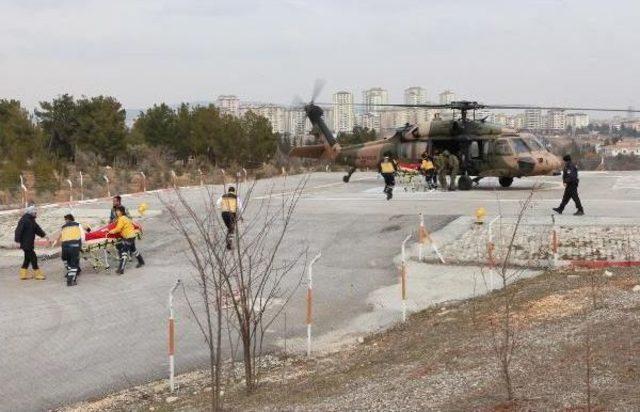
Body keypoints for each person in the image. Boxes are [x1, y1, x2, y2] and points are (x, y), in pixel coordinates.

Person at [14, 204, 49, 280]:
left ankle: (23, 274)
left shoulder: (32, 220)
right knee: (33, 258)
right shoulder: (24, 220)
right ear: (31, 212)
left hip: (29, 243)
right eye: (35, 212)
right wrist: (17, 241)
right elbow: (18, 231)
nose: (36, 214)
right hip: (25, 243)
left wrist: (44, 236)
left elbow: (37, 229)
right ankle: (37, 274)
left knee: (27, 259)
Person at [109, 205, 144, 274]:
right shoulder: (126, 218)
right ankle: (141, 261)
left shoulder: (121, 219)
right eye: (116, 211)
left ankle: (121, 269)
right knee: (133, 250)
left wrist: (111, 231)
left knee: (124, 252)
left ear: (121, 212)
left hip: (128, 237)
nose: (116, 212)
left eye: (118, 211)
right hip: (132, 236)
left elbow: (118, 229)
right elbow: (132, 224)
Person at [57, 214, 84, 286]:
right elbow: (82, 236)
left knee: (68, 262)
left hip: (65, 247)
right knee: (74, 264)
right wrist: (80, 246)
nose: (65, 221)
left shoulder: (64, 227)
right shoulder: (78, 225)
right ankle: (71, 279)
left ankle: (71, 273)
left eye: (66, 219)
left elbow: (62, 238)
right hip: (74, 246)